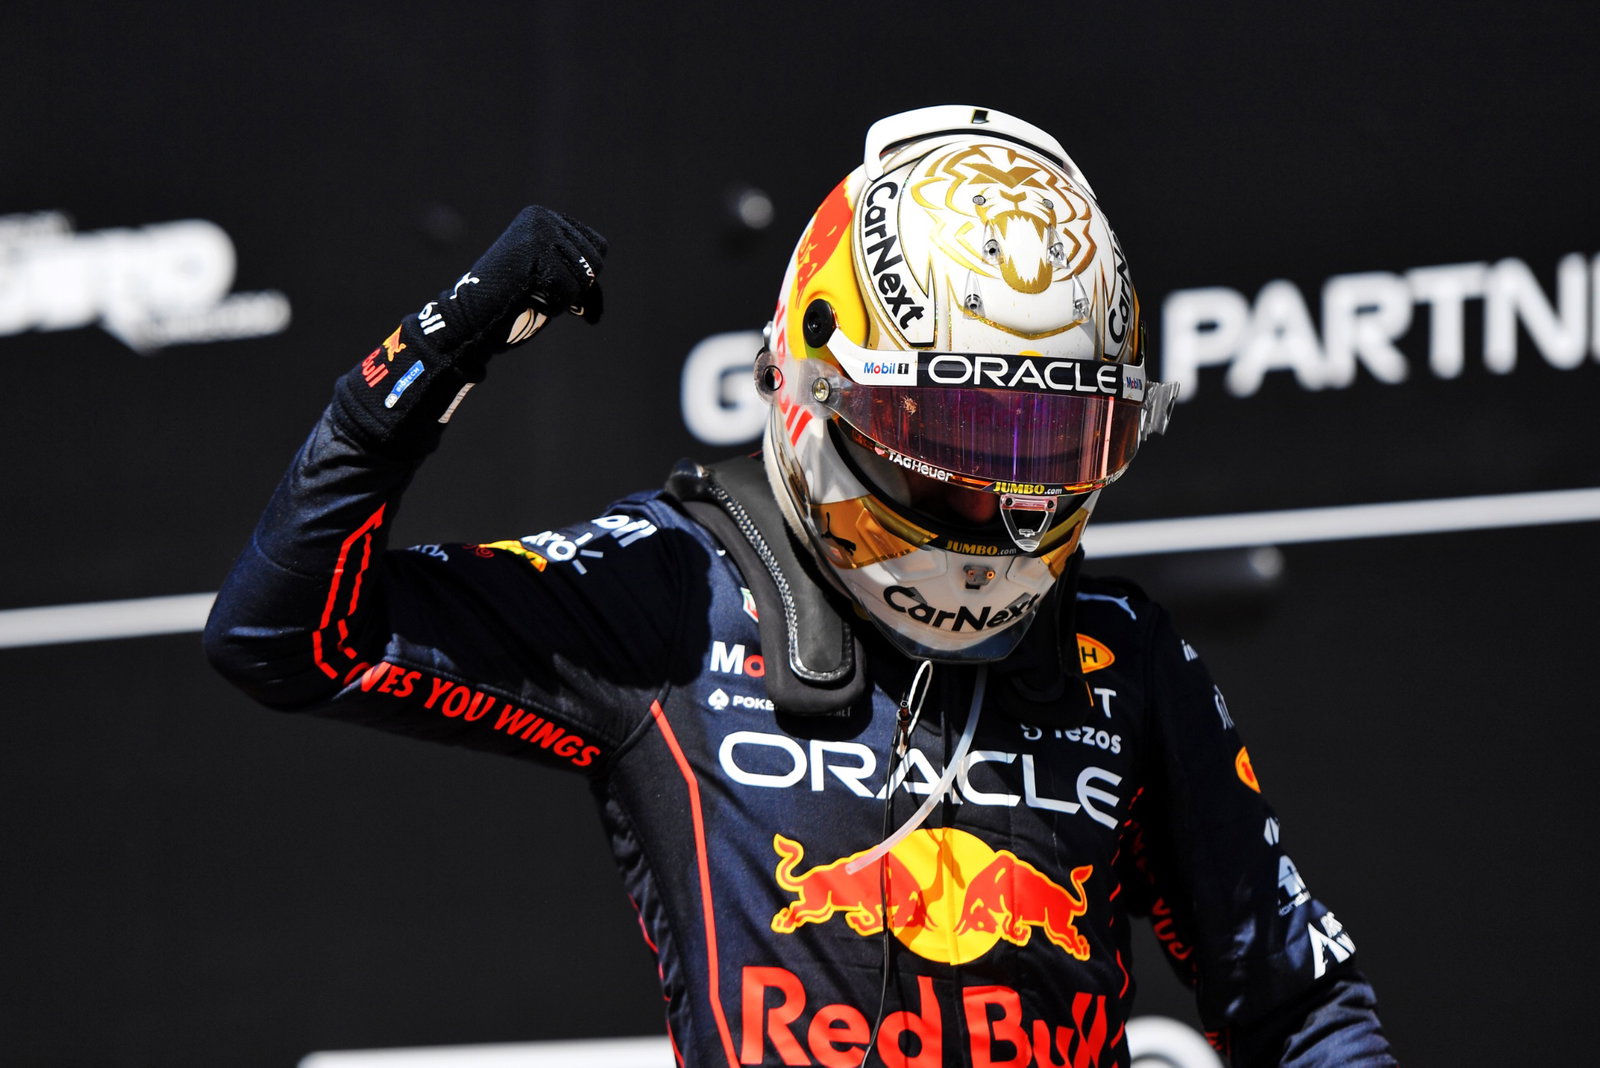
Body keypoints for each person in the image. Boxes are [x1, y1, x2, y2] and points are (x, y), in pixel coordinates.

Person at [205, 105, 1395, 1067]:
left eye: (1047, 449)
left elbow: (1297, 1003)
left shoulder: (1119, 656)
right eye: (957, 443)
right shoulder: (680, 589)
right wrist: (428, 358)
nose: (1002, 507)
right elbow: (284, 634)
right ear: (819, 390)